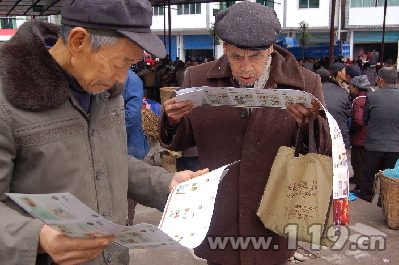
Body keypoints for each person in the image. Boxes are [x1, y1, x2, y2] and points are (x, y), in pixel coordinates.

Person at [0, 1, 208, 264]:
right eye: (120, 62)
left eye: (131, 64)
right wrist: (37, 238)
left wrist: (165, 183)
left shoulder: (104, 90)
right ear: (78, 41)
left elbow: (108, 161)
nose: (122, 78)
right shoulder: (7, 98)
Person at [159, 2, 331, 265]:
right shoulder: (198, 77)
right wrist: (172, 121)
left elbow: (322, 148)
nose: (246, 68)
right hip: (220, 213)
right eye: (237, 56)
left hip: (272, 210)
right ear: (225, 47)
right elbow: (185, 140)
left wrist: (308, 126)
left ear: (271, 48)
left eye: (256, 57)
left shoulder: (305, 83)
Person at [360, 67, 399, 203]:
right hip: (395, 146)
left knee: (368, 175)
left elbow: (365, 119)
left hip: (374, 144)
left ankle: (365, 199)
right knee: (389, 178)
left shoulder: (372, 96)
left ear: (380, 80)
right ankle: (383, 203)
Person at [123, 69, 151, 226]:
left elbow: (132, 116)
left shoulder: (131, 80)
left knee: (128, 192)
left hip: (130, 145)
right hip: (126, 144)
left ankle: (126, 228)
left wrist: (112, 134)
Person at [316, 68, 352, 149]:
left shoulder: (311, 91)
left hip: (319, 134)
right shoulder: (342, 91)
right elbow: (349, 112)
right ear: (330, 77)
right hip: (339, 134)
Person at [348, 75, 371, 194]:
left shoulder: (358, 101)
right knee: (366, 163)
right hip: (370, 136)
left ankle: (359, 187)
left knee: (358, 163)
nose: (349, 87)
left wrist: (350, 130)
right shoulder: (371, 97)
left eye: (351, 85)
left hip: (360, 137)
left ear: (357, 88)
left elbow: (358, 120)